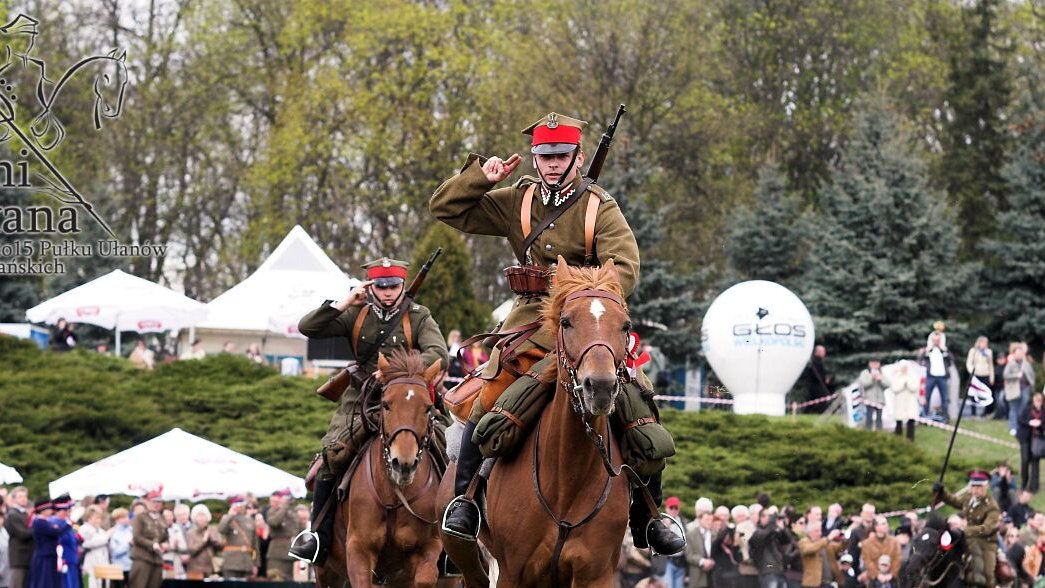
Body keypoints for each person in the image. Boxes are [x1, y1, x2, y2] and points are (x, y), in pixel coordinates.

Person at [430, 111, 681, 555]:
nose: (551, 163)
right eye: (544, 155)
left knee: (637, 403)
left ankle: (649, 515)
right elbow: (446, 208)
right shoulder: (518, 200)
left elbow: (624, 268)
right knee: (485, 397)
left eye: (560, 155)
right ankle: (465, 502)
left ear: (578, 157)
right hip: (528, 323)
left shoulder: (599, 207)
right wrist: (481, 179)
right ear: (534, 157)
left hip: (585, 324)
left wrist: (580, 296)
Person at [290, 256, 449, 565]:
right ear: (371, 286)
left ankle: (448, 540)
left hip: (407, 396)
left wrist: (398, 372)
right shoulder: (357, 313)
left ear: (403, 285)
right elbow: (308, 327)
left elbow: (438, 353)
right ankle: (317, 537)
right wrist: (344, 302)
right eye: (382, 286)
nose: (388, 292)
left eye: (394, 286)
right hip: (362, 397)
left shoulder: (417, 315)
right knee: (331, 454)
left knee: (446, 449)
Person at [934, 469, 1001, 587]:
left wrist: (964, 530)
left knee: (986, 576)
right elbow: (954, 501)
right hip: (966, 539)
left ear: (986, 487)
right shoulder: (968, 498)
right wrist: (942, 492)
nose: (975, 489)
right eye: (973, 486)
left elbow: (987, 529)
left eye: (979, 486)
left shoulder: (992, 506)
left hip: (985, 543)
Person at [130, 491, 168, 588]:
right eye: (154, 501)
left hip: (157, 559)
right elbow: (137, 537)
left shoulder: (162, 518)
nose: (157, 504)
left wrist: (165, 544)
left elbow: (165, 537)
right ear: (147, 502)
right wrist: (152, 544)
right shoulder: (140, 517)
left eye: (159, 502)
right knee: (139, 585)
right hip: (142, 558)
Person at [28, 499, 69, 588]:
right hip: (44, 557)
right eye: (49, 508)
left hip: (50, 556)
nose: (51, 510)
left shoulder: (45, 521)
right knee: (45, 582)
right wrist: (69, 523)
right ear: (43, 510)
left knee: (52, 582)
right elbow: (56, 532)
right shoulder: (39, 522)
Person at [264, 490, 301, 581]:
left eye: (277, 501)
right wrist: (284, 508)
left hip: (292, 552)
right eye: (272, 501)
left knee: (290, 582)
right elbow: (275, 522)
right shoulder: (271, 512)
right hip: (277, 553)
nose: (274, 504)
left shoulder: (291, 512)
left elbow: (296, 530)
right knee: (276, 580)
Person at [218, 497, 257, 579]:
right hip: (231, 562)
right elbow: (221, 530)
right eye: (238, 506)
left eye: (242, 505)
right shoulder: (227, 519)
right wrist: (230, 515)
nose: (240, 508)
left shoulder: (250, 521)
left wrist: (256, 564)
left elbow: (255, 544)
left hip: (247, 562)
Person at [798, 521, 844, 588]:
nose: (820, 533)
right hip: (812, 584)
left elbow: (839, 547)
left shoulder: (823, 542)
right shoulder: (804, 542)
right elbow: (809, 549)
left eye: (820, 531)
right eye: (816, 531)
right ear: (809, 532)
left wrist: (845, 539)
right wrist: (828, 538)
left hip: (828, 583)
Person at [919, 332, 953, 422]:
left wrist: (944, 350)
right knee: (927, 397)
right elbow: (921, 359)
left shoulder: (944, 351)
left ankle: (945, 417)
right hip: (931, 376)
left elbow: (951, 360)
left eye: (938, 340)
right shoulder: (928, 351)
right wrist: (927, 350)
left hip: (942, 377)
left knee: (944, 398)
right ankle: (924, 416)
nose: (936, 342)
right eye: (934, 340)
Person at [858, 516, 900, 585]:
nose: (886, 526)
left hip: (891, 579)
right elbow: (867, 561)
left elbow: (897, 559)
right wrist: (878, 575)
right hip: (873, 579)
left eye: (886, 523)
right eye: (883, 523)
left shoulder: (894, 542)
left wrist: (891, 575)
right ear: (876, 527)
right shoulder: (867, 543)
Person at [4, 487, 33, 588]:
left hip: (27, 556)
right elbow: (22, 534)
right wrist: (38, 529)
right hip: (19, 558)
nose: (23, 499)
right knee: (17, 584)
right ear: (14, 499)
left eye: (25, 496)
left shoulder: (23, 513)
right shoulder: (13, 514)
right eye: (20, 496)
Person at [1005, 345, 1036, 436]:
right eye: (1017, 353)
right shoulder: (1011, 364)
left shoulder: (1026, 364)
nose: (1019, 355)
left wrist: (1031, 383)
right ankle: (1013, 427)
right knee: (1013, 409)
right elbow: (1005, 375)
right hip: (1014, 390)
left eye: (1020, 353)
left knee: (1022, 409)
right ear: (1014, 354)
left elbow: (1032, 375)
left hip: (1025, 389)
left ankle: (1020, 426)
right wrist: (1016, 375)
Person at [1017, 391, 1045, 493]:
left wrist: (1040, 424)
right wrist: (1030, 422)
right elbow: (1020, 420)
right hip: (1026, 439)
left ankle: (1034, 487)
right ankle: (1024, 484)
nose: (1038, 403)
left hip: (1037, 441)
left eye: (1040, 401)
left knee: (1035, 462)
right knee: (1025, 461)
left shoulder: (1043, 412)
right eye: (1036, 401)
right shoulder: (1027, 410)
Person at [80, 506, 112, 588]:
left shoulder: (101, 531)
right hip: (91, 562)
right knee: (92, 584)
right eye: (96, 518)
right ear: (89, 518)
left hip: (104, 563)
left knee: (105, 584)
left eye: (99, 518)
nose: (99, 520)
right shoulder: (84, 529)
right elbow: (88, 543)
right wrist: (107, 536)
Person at [185, 505, 221, 579]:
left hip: (211, 568)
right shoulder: (191, 533)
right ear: (195, 518)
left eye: (203, 515)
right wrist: (203, 541)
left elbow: (220, 547)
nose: (201, 518)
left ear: (207, 517)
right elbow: (191, 550)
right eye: (198, 516)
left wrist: (212, 539)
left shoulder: (213, 530)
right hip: (195, 568)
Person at [966, 336, 996, 417]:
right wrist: (972, 371)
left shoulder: (988, 352)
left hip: (985, 374)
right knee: (973, 393)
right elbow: (969, 363)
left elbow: (990, 365)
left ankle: (986, 413)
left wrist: (991, 377)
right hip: (975, 375)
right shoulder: (973, 351)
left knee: (986, 393)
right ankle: (973, 413)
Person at [890, 360, 920, 441]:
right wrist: (903, 383)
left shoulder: (912, 375)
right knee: (899, 421)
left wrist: (908, 383)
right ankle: (898, 438)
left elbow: (915, 387)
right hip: (900, 403)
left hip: (910, 403)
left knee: (911, 421)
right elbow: (894, 388)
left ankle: (910, 439)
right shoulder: (896, 376)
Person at [858, 359, 891, 431]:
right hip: (869, 399)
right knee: (869, 418)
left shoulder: (881, 373)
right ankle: (868, 433)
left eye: (877, 363)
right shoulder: (865, 373)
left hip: (880, 400)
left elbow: (888, 384)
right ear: (870, 363)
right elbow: (863, 384)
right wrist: (872, 378)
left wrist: (881, 379)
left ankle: (879, 434)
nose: (875, 364)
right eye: (873, 363)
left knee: (879, 419)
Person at [806, 346, 833, 412]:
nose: (824, 353)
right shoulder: (815, 362)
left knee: (812, 401)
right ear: (818, 352)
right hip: (817, 385)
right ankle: (821, 413)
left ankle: (807, 412)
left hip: (816, 384)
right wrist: (825, 379)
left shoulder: (818, 361)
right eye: (823, 352)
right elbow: (817, 374)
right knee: (822, 398)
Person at [108, 509, 132, 580]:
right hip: (118, 568)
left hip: (131, 567)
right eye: (123, 517)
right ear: (117, 519)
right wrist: (128, 545)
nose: (126, 519)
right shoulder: (113, 532)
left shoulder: (131, 530)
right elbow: (114, 552)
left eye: (127, 517)